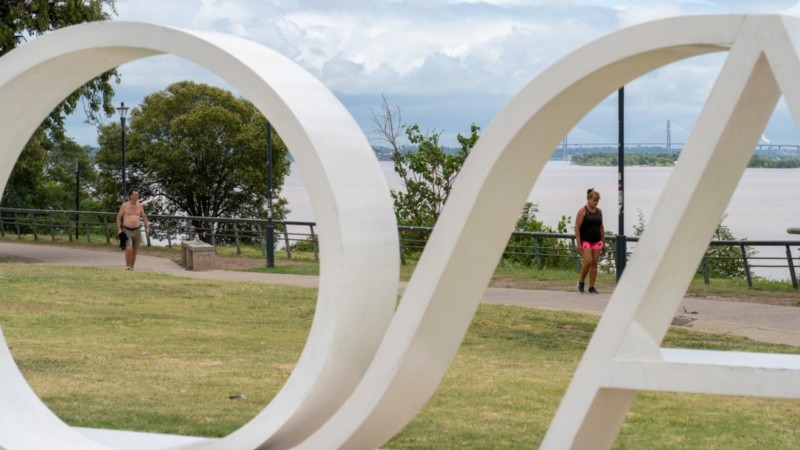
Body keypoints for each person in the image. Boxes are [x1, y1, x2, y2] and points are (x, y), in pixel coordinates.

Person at [574, 188, 605, 294]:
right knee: (588, 261)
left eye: (597, 201)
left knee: (595, 263)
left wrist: (603, 242)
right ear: (589, 199)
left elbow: (601, 227)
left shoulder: (599, 212)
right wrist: (578, 243)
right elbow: (577, 227)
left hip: (596, 240)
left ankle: (591, 287)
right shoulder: (583, 211)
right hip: (585, 240)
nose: (596, 203)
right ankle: (581, 282)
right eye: (594, 200)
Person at [116, 189, 150, 271]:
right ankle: (127, 266)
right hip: (127, 229)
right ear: (130, 196)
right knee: (129, 248)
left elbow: (144, 217)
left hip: (137, 230)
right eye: (135, 194)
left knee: (135, 250)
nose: (137, 196)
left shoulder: (140, 206)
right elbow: (118, 217)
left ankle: (132, 267)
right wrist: (119, 229)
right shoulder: (125, 205)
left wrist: (147, 227)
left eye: (137, 194)